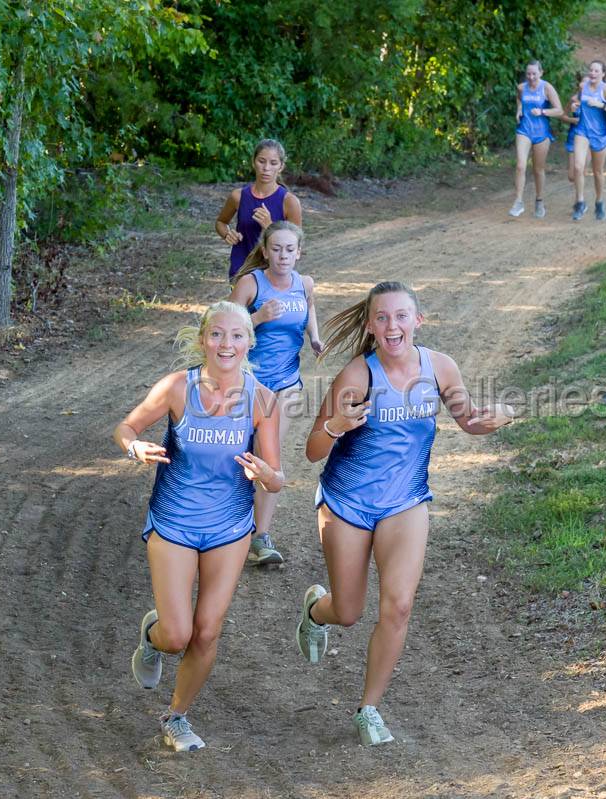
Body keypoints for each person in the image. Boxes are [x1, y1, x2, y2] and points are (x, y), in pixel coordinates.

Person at [294, 282, 514, 746]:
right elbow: (314, 449)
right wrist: (336, 425)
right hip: (348, 502)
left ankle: (368, 708)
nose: (392, 326)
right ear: (371, 325)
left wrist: (497, 416)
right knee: (348, 611)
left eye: (401, 316)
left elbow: (467, 419)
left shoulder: (439, 368)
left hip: (406, 499)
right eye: (382, 318)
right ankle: (317, 611)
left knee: (398, 604)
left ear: (418, 321)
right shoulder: (358, 375)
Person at [117, 302, 284, 752]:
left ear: (249, 342)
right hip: (173, 521)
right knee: (177, 635)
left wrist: (264, 475)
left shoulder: (262, 399)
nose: (225, 344)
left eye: (235, 336)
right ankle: (153, 639)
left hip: (229, 526)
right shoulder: (177, 388)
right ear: (202, 339)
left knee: (207, 630)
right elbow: (127, 426)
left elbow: (278, 475)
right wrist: (134, 447)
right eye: (216, 335)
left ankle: (177, 717)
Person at [228, 221, 323, 566]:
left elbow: (309, 307)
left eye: (290, 250)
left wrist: (314, 337)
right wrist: (258, 317)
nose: (283, 256)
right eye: (277, 249)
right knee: (236, 454)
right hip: (245, 383)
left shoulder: (305, 284)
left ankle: (260, 537)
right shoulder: (251, 284)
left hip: (286, 383)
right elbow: (222, 328)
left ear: (299, 253)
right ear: (265, 251)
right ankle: (228, 524)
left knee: (268, 456)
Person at [214, 139, 303, 280]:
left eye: (273, 163)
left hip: (273, 274)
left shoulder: (289, 201)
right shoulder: (238, 196)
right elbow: (221, 222)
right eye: (261, 161)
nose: (266, 168)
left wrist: (270, 227)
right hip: (241, 270)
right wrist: (227, 234)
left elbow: (295, 243)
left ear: (281, 167)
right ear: (253, 162)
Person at [570, 60, 606, 221]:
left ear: (603, 74)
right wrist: (576, 106)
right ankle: (580, 202)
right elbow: (579, 102)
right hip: (582, 131)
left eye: (596, 71)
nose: (592, 73)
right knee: (578, 167)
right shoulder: (583, 87)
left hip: (600, 135)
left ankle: (599, 201)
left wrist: (601, 105)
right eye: (591, 70)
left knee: (598, 172)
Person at [510, 60, 564, 218]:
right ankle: (518, 201)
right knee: (520, 165)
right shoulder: (521, 87)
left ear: (541, 72)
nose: (531, 77)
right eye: (528, 74)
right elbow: (519, 99)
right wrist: (519, 109)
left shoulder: (547, 88)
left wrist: (542, 112)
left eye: (534, 73)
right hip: (524, 130)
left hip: (541, 133)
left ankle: (539, 201)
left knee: (538, 169)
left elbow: (559, 110)